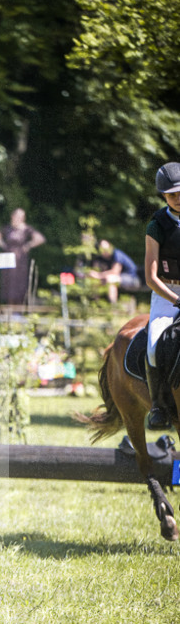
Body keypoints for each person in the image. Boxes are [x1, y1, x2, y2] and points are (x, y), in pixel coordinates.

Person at [144, 162, 180, 429]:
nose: (177, 199)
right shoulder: (157, 225)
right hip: (167, 294)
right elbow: (151, 277)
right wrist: (177, 300)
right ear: (163, 196)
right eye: (171, 195)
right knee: (155, 347)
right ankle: (159, 406)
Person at [0, 208, 45, 306]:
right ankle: (10, 307)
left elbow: (40, 238)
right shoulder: (7, 228)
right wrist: (3, 245)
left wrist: (28, 245)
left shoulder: (26, 229)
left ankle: (19, 309)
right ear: (13, 216)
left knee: (20, 282)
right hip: (8, 257)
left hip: (20, 259)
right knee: (8, 282)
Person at [87, 239, 141, 303]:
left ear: (110, 247)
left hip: (133, 278)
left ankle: (113, 306)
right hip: (117, 278)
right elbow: (95, 269)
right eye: (102, 249)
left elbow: (115, 272)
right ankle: (95, 304)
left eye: (106, 248)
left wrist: (98, 275)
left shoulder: (117, 254)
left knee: (111, 279)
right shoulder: (100, 257)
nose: (105, 251)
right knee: (95, 280)